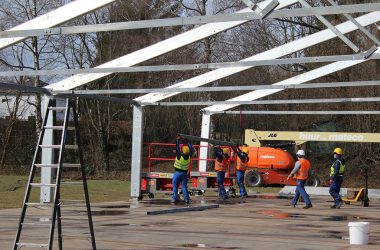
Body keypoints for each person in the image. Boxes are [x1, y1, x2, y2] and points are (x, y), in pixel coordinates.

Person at [171, 135, 193, 204]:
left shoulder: (179, 156)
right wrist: (188, 142)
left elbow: (177, 148)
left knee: (175, 186)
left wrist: (178, 140)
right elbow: (191, 149)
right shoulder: (189, 156)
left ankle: (174, 198)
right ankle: (186, 199)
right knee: (184, 187)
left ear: (182, 150)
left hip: (177, 173)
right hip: (184, 174)